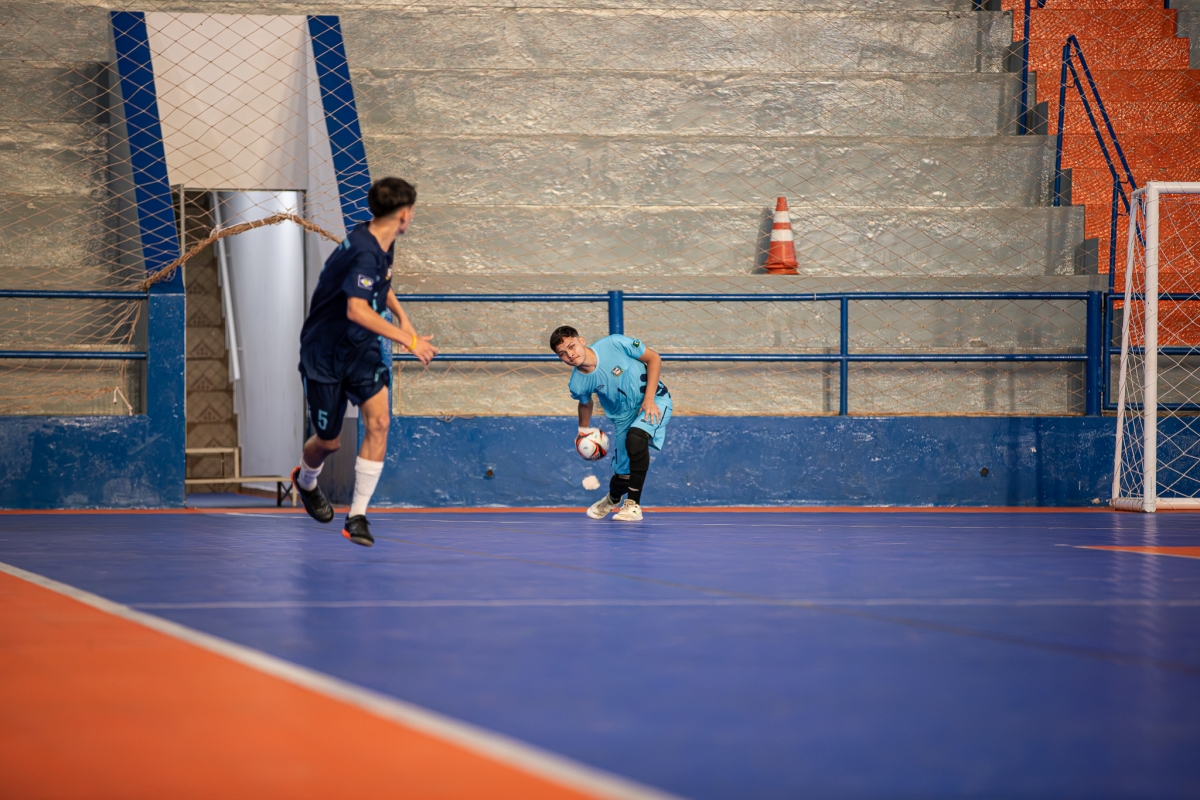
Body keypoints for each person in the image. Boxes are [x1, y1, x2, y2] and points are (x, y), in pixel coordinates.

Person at [291, 177, 437, 546]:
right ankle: (305, 481)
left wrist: (403, 318)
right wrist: (409, 340)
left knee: (380, 422)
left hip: (361, 351)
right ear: (404, 214)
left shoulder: (379, 238)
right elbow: (357, 309)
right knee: (329, 443)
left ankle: (357, 516)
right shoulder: (363, 252)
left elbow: (379, 285)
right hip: (324, 355)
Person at [550, 326, 672, 521]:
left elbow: (654, 358)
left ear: (581, 340)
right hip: (623, 417)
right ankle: (612, 499)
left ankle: (633, 505)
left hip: (655, 400)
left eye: (571, 346)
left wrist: (649, 399)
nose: (570, 355)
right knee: (623, 473)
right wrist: (582, 431)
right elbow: (585, 404)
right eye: (562, 353)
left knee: (636, 438)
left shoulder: (614, 343)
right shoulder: (578, 383)